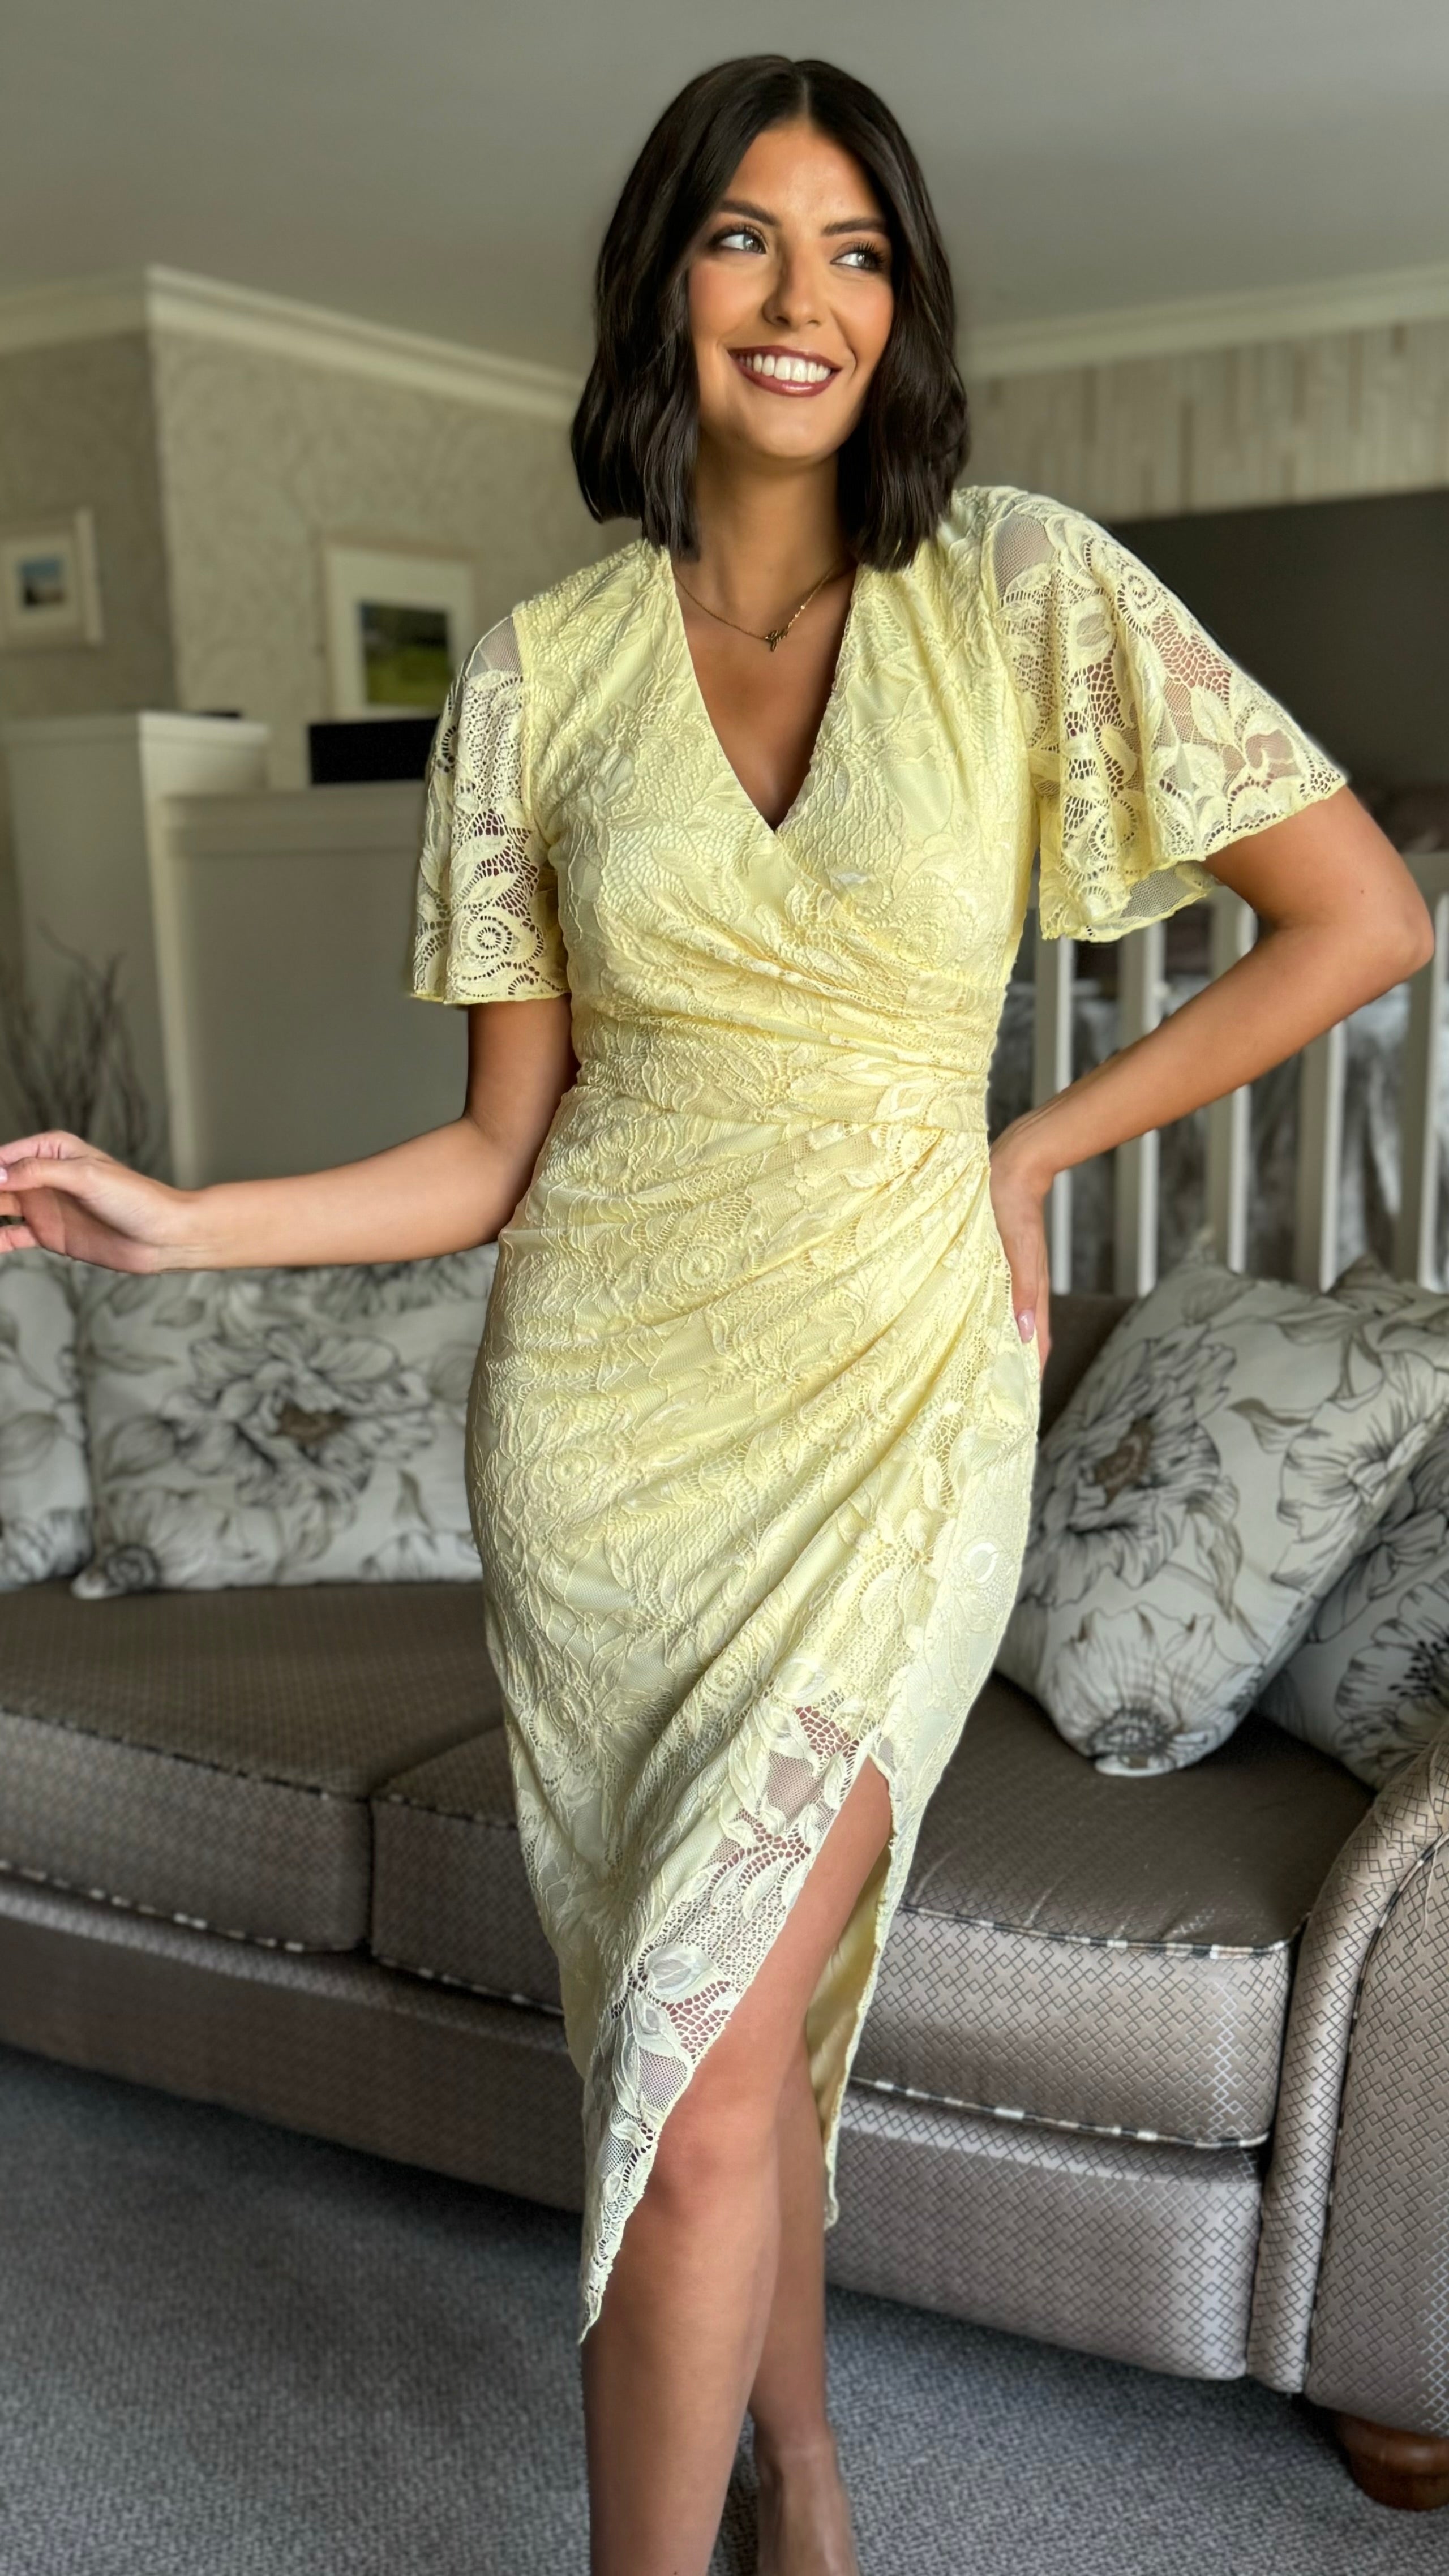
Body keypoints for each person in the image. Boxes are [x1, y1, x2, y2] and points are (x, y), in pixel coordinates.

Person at [0, 53, 1431, 2576]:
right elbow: (494, 1149)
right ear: (664, 276)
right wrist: (185, 1225)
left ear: (906, 306)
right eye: (748, 236)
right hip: (604, 1442)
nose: (804, 295)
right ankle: (809, 2473)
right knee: (712, 2055)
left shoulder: (1021, 591)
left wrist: (1030, 1147)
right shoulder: (535, 681)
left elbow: (1362, 918)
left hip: (895, 1421)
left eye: (858, 249)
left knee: (691, 2044)